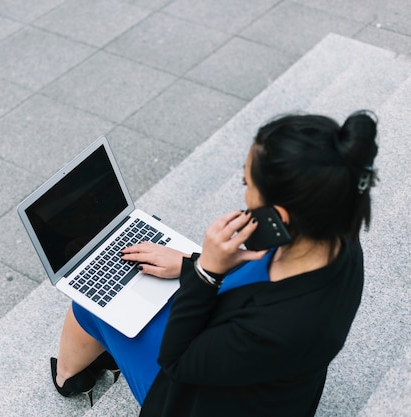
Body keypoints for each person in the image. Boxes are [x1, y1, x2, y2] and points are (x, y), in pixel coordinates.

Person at [50, 111, 379, 416]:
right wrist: (187, 263)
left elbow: (176, 361)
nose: (246, 193)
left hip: (190, 399)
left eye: (247, 184)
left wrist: (206, 271)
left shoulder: (274, 327)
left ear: (279, 217)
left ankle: (68, 378)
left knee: (88, 304)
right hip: (268, 382)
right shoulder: (336, 237)